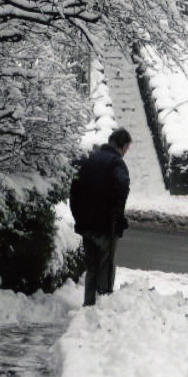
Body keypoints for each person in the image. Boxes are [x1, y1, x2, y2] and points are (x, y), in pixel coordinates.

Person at [70, 128, 132, 306]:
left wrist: (79, 218)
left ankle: (88, 305)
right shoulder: (116, 163)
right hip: (106, 226)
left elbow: (74, 190)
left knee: (92, 267)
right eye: (127, 148)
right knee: (105, 266)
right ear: (123, 146)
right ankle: (103, 307)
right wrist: (117, 216)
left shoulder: (88, 159)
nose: (126, 152)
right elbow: (122, 187)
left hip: (86, 225)